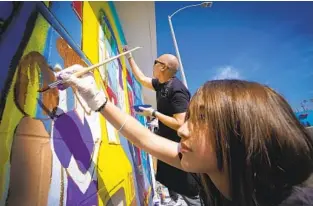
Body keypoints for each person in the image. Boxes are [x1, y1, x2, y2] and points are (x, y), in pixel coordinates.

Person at [57, 65, 313, 206]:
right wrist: (97, 99)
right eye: (188, 117)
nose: (182, 129)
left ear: (240, 133)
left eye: (201, 119)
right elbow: (146, 140)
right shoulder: (219, 172)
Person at [123, 46, 201, 205]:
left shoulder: (176, 90)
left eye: (155, 62)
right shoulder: (161, 84)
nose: (153, 65)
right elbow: (142, 79)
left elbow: (181, 125)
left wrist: (153, 113)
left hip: (179, 153)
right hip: (169, 149)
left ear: (163, 67)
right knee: (171, 186)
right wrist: (129, 57)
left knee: (190, 194)